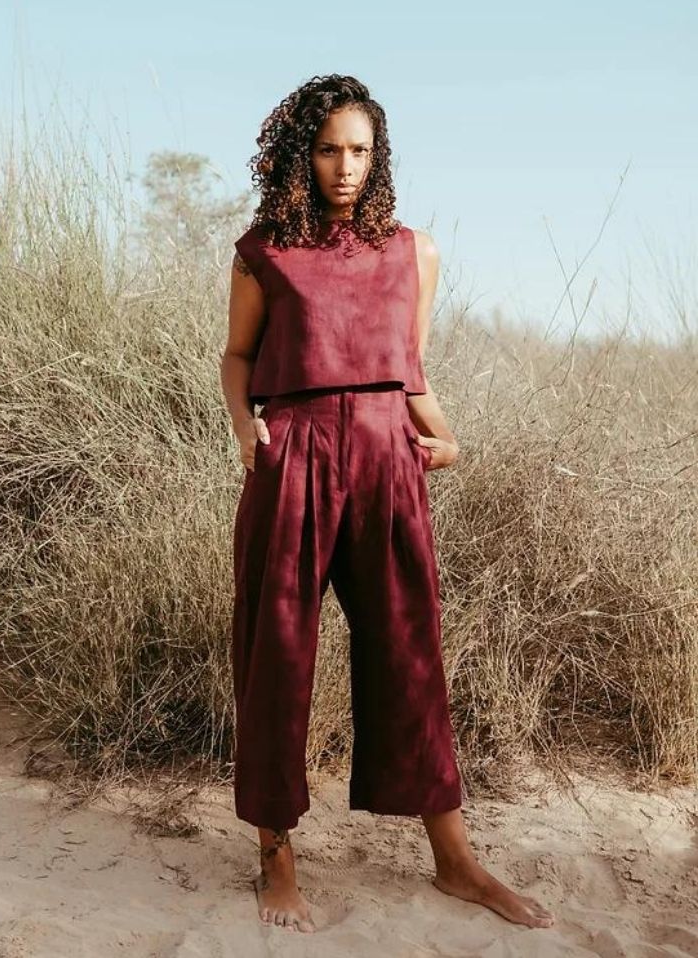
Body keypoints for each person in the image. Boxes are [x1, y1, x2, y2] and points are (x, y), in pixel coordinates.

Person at [219, 73, 553, 935]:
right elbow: (236, 356)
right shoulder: (264, 251)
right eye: (328, 148)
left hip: (384, 459)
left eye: (360, 150)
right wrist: (243, 429)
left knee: (411, 653)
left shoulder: (415, 251)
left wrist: (451, 441)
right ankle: (276, 859)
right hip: (292, 454)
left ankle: (456, 860)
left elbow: (411, 371)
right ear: (301, 154)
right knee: (278, 657)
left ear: (380, 156)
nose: (344, 167)